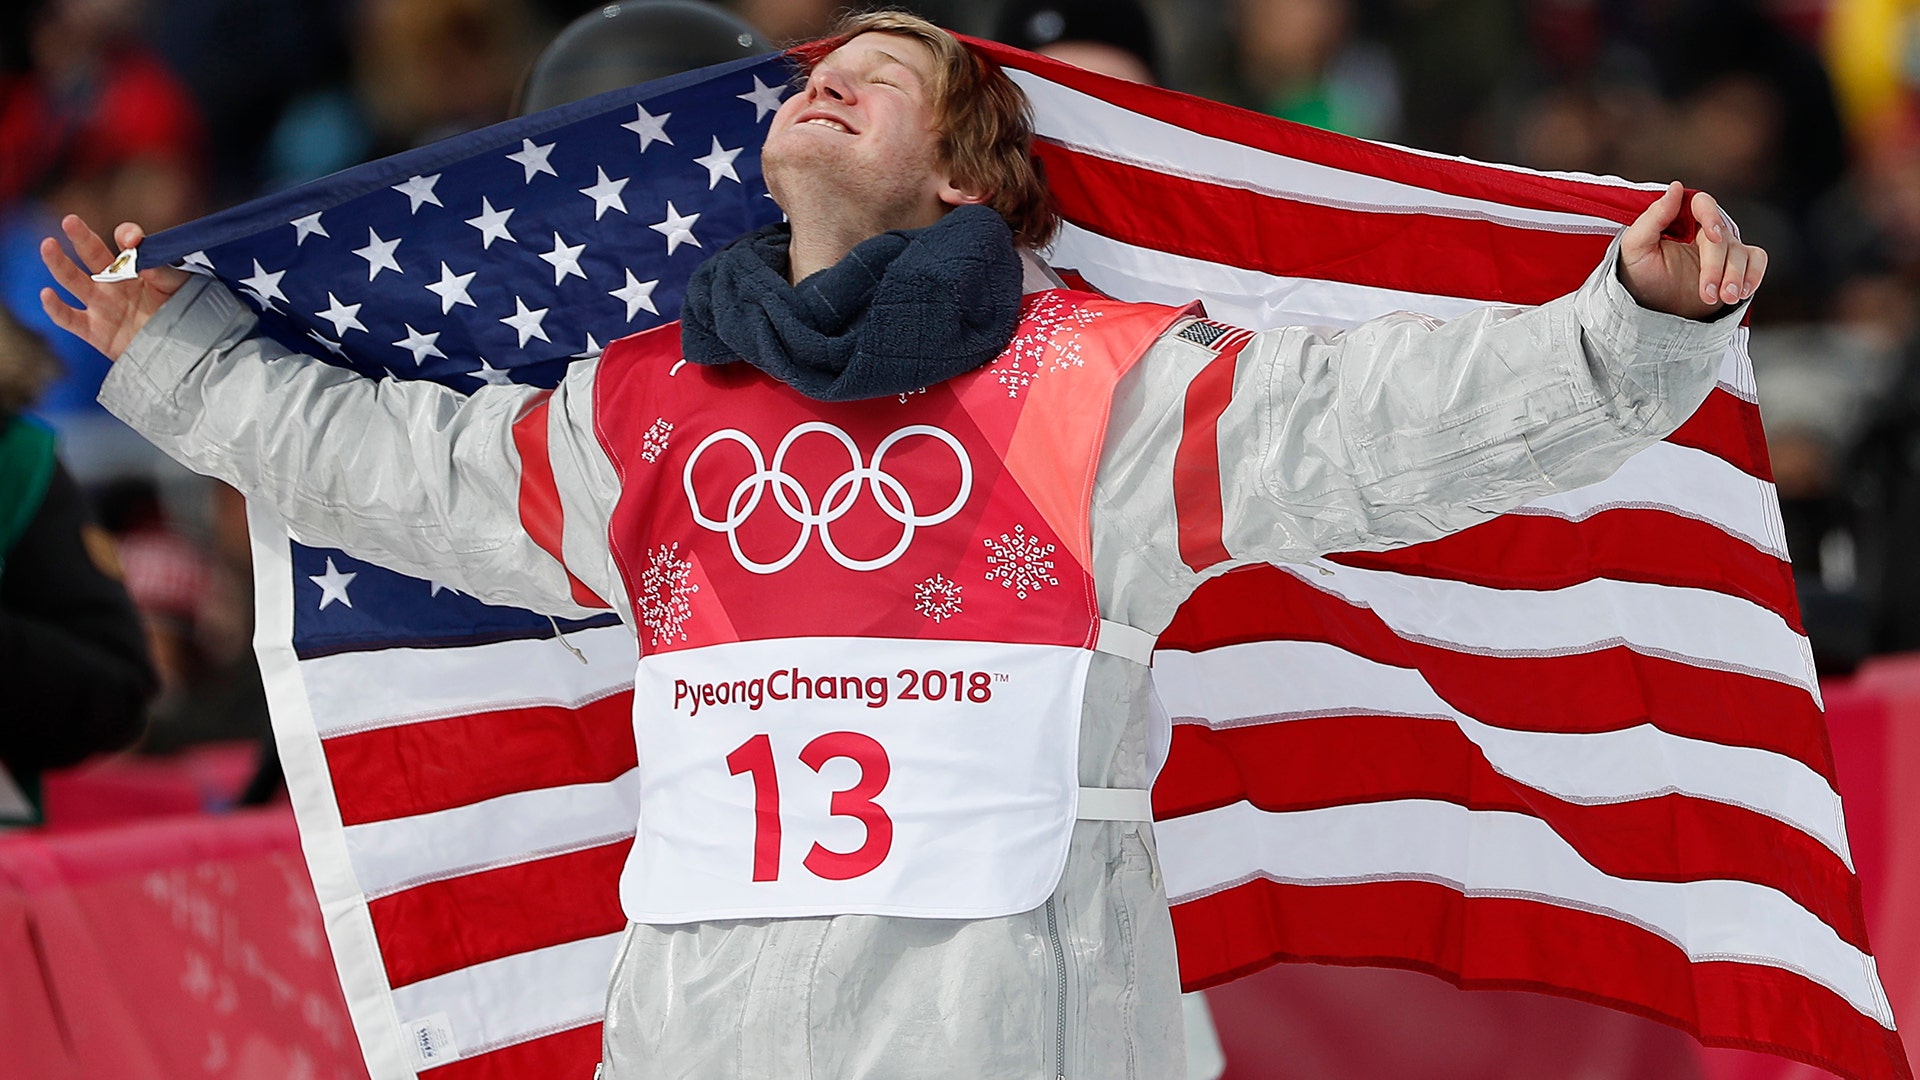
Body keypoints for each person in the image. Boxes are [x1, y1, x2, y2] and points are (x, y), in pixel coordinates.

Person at [42, 11, 1763, 1077]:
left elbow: (1396, 431)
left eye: (894, 72)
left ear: (962, 179)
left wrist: (1625, 327)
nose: (838, 73)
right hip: (707, 1037)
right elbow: (387, 468)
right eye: (823, 67)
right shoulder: (646, 409)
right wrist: (176, 356)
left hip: (1023, 1031)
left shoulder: (1100, 386)